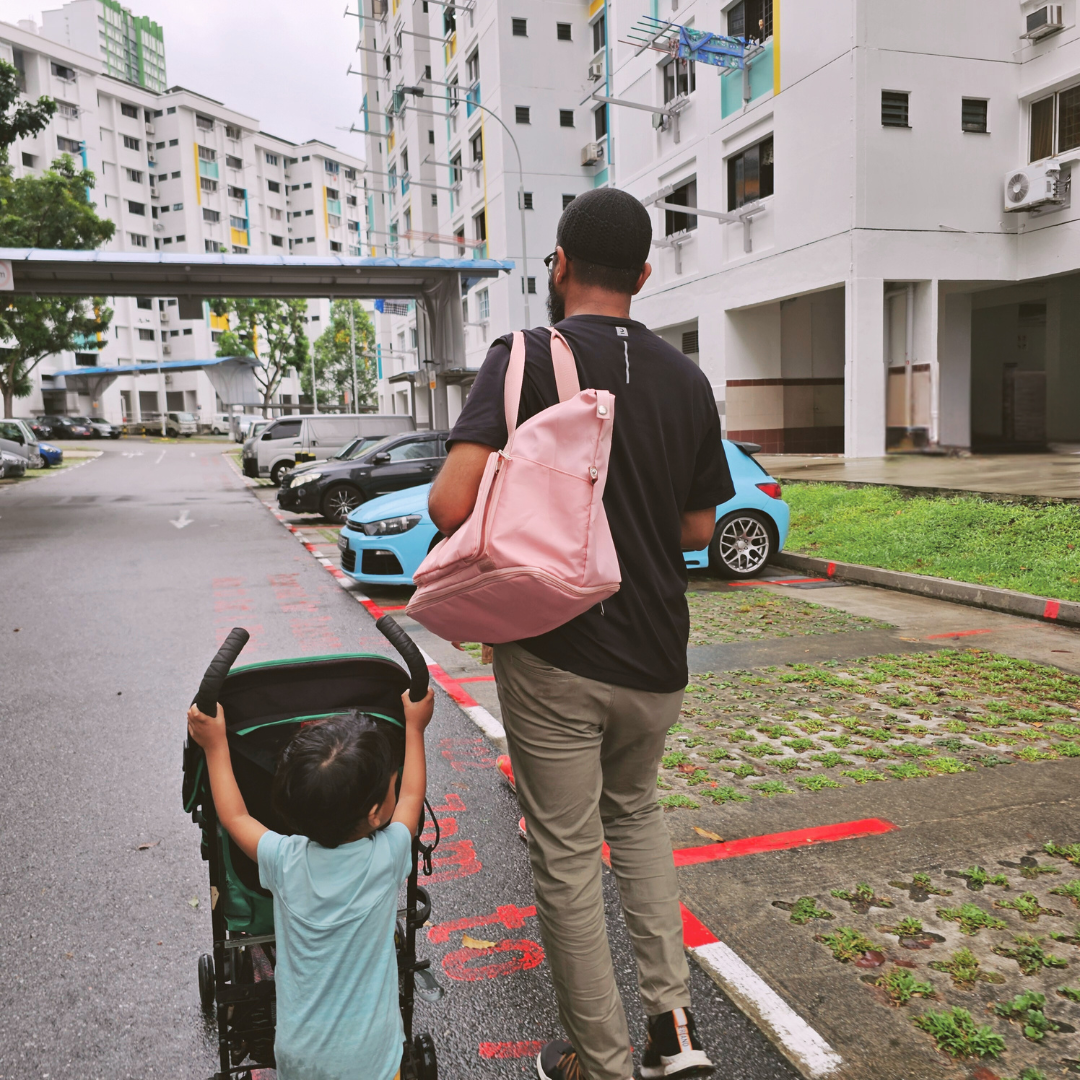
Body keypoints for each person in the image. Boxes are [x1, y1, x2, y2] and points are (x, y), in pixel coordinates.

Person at [428, 188, 735, 1080]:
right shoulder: (687, 378)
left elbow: (451, 502)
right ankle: (674, 1029)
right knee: (636, 820)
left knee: (565, 857)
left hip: (557, 651)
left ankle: (599, 1064)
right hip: (657, 659)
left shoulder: (523, 356)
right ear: (643, 275)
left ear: (557, 266)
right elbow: (696, 529)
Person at [186, 687, 435, 1080]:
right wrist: (415, 728)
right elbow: (412, 801)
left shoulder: (284, 861)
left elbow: (235, 819)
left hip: (301, 1057)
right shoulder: (385, 858)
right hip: (372, 1057)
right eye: (391, 783)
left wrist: (216, 746)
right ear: (374, 814)